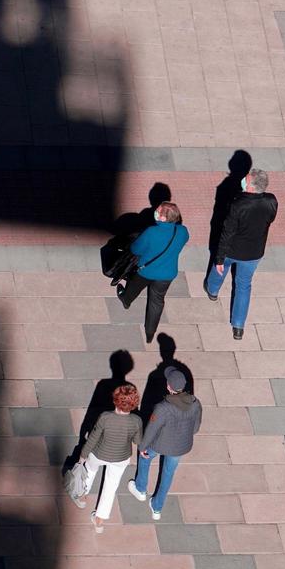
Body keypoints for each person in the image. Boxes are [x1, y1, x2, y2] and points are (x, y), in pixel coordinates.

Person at [205, 167, 277, 340]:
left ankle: (212, 290)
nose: (242, 180)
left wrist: (220, 258)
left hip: (231, 250)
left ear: (251, 186)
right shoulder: (271, 201)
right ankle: (238, 326)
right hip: (254, 252)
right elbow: (270, 219)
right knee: (244, 286)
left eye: (246, 178)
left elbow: (227, 232)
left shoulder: (238, 204)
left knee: (219, 269)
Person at [128, 367, 201, 520]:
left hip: (159, 444)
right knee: (168, 475)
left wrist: (142, 446)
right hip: (180, 447)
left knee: (145, 457)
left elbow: (151, 430)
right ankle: (157, 508)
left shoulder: (163, 408)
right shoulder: (195, 403)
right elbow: (195, 427)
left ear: (168, 386)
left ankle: (140, 489)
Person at [117, 201, 189, 344]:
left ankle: (126, 300)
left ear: (163, 218)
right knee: (157, 302)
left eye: (158, 211)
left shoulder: (152, 232)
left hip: (146, 271)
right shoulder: (182, 231)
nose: (155, 212)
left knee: (133, 287)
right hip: (167, 274)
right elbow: (183, 241)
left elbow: (136, 249)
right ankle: (150, 333)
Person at [75, 383, 142, 533]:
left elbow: (93, 438)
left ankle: (82, 497)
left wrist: (83, 455)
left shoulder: (106, 417)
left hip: (99, 453)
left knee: (89, 471)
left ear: (116, 401)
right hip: (121, 457)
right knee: (111, 486)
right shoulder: (136, 421)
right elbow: (138, 441)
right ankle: (99, 521)